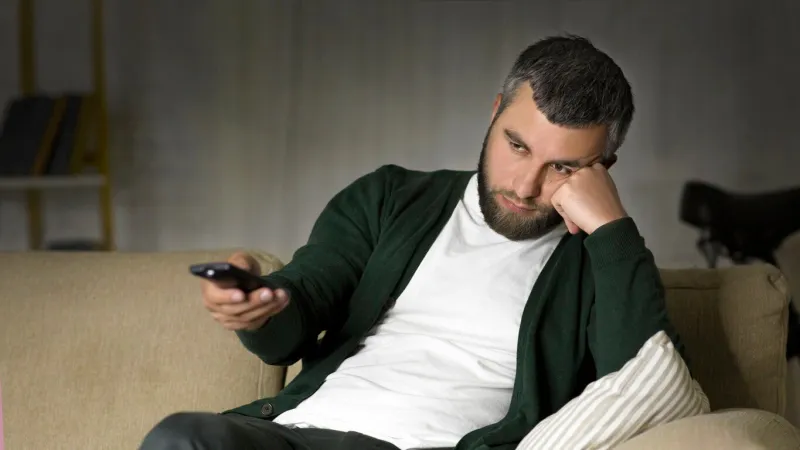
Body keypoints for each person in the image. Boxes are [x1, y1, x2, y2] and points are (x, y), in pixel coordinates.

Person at [139, 34, 684, 450]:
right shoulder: (390, 198)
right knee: (183, 439)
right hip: (299, 437)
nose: (524, 186)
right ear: (494, 113)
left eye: (562, 167)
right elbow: (298, 310)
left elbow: (641, 384)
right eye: (516, 146)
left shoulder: (600, 264)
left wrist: (611, 231)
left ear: (601, 170)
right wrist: (260, 308)